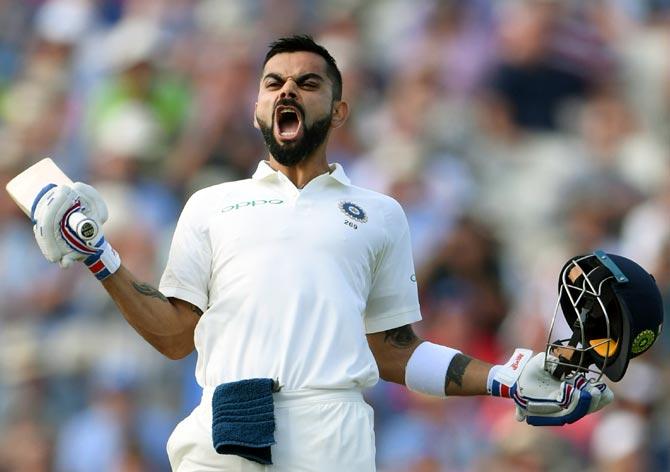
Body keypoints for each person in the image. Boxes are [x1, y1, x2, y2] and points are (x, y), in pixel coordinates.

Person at [31, 35, 613, 472]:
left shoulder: (380, 213)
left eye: (308, 83)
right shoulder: (210, 206)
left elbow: (394, 352)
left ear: (338, 111)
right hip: (222, 439)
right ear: (258, 108)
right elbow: (176, 336)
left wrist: (505, 381)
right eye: (273, 82)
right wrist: (98, 256)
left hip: (332, 441)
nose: (288, 90)